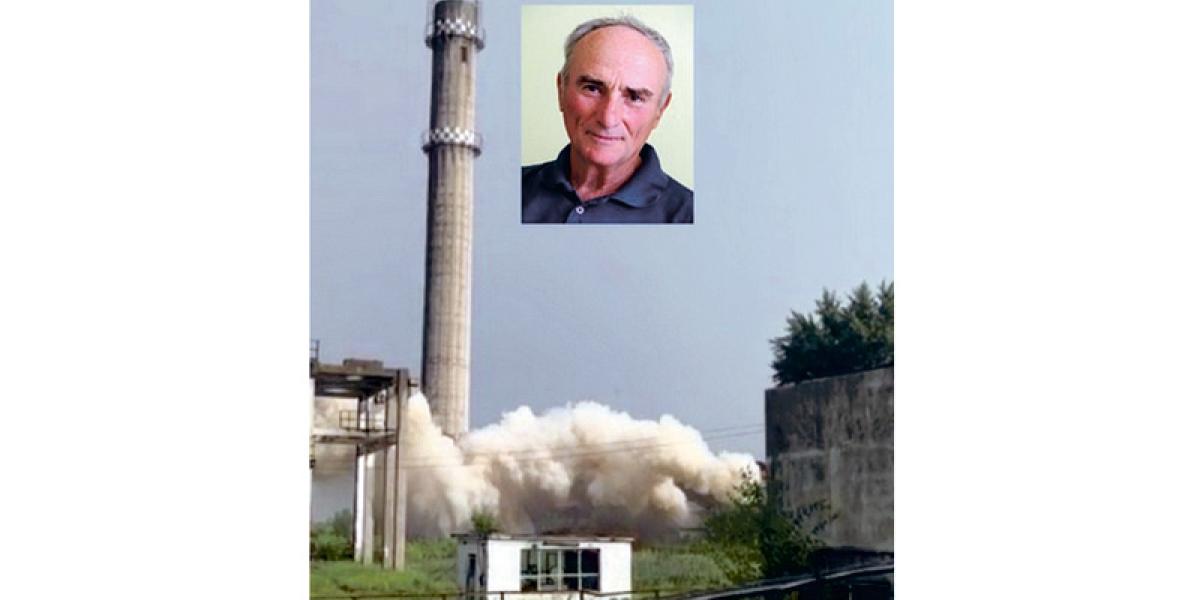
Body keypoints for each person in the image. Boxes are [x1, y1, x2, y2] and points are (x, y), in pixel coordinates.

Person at [522, 16, 693, 224]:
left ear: (660, 110)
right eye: (592, 88)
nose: (607, 118)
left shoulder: (690, 217)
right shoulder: (506, 189)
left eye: (635, 97)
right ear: (561, 90)